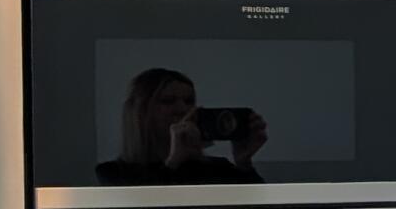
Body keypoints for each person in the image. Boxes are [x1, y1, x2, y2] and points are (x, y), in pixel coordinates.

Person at [95, 67, 268, 185]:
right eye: (168, 101)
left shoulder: (216, 169)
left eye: (189, 101)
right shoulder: (113, 174)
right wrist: (173, 163)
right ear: (141, 112)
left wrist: (244, 163)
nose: (182, 109)